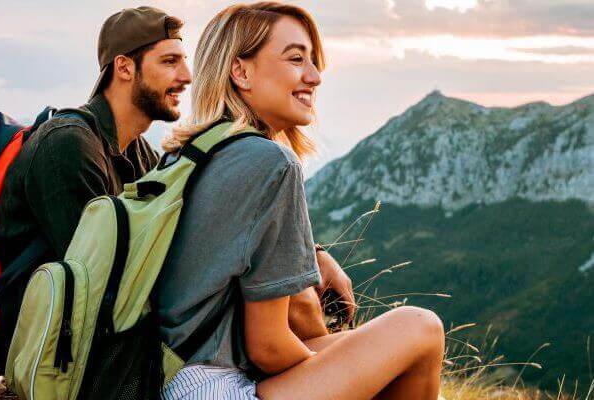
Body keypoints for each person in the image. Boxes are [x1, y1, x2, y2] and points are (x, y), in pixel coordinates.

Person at [155, 3, 445, 400]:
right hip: (214, 387)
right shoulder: (270, 162)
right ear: (240, 72)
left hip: (167, 378)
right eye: (296, 59)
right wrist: (351, 373)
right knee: (419, 327)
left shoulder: (187, 153)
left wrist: (315, 255)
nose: (315, 77)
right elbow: (269, 348)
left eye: (313, 61)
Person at [0, 6, 192, 371]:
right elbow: (99, 281)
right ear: (125, 68)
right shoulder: (67, 146)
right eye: (170, 62)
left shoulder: (137, 151)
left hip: (96, 342)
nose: (187, 76)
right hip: (58, 358)